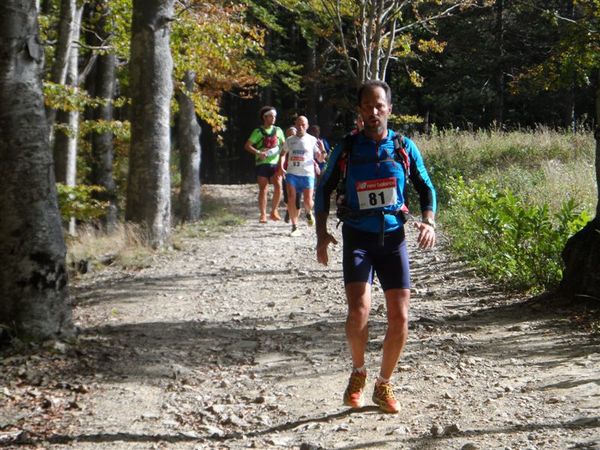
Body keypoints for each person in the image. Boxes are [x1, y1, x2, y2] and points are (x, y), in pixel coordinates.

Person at [314, 80, 437, 414]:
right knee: (359, 310)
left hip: (393, 239)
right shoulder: (348, 147)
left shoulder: (403, 146)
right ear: (360, 110)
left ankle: (384, 384)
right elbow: (323, 188)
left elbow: (426, 187)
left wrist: (429, 221)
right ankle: (358, 373)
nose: (373, 111)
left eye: (379, 105)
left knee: (400, 317)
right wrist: (321, 233)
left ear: (389, 109)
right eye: (367, 106)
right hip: (358, 237)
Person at [279, 115, 323, 236]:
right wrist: (281, 166)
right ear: (295, 125)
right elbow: (282, 154)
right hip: (292, 173)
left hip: (307, 174)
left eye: (303, 124)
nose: (300, 127)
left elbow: (320, 158)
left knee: (308, 201)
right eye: (298, 124)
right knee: (292, 198)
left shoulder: (312, 140)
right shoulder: (290, 140)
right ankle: (294, 226)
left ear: (307, 126)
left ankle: (308, 212)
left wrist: (322, 151)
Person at [244, 106, 286, 223]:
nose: (273, 118)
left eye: (275, 116)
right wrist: (258, 152)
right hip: (262, 163)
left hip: (275, 163)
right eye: (271, 116)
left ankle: (274, 211)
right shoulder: (258, 131)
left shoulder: (278, 130)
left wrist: (282, 160)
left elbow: (284, 146)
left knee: (278, 185)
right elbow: (247, 146)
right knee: (263, 188)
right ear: (265, 117)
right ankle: (263, 214)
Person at [283, 126, 302, 223]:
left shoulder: (301, 145)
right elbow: (279, 158)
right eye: (289, 134)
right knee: (287, 198)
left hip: (298, 174)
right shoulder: (284, 146)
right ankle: (289, 210)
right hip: (286, 174)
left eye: (293, 133)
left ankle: (295, 221)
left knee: (297, 200)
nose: (291, 135)